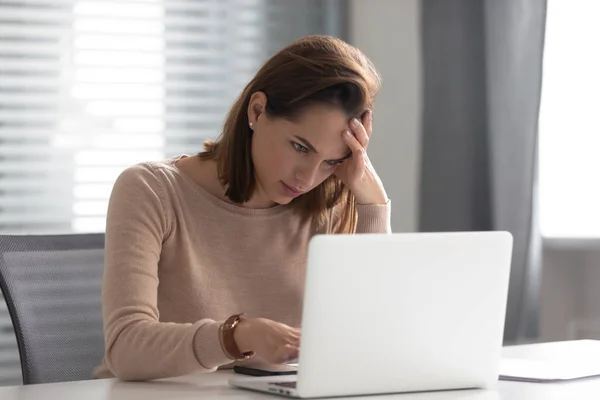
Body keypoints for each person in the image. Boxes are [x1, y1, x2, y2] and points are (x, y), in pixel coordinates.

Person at [94, 35, 391, 381]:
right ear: (257, 111)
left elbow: (371, 335)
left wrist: (371, 199)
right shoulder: (151, 191)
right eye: (300, 146)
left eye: (331, 161)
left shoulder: (329, 203)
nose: (308, 177)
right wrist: (235, 336)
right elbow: (126, 348)